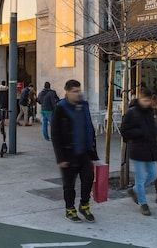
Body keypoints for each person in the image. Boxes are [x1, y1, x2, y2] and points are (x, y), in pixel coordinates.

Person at [51, 79, 97, 223]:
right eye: (75, 91)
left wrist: (93, 151)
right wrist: (60, 157)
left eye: (79, 91)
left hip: (84, 152)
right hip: (68, 153)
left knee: (88, 180)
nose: (78, 94)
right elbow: (55, 134)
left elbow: (89, 126)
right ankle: (69, 209)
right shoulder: (61, 108)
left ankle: (84, 206)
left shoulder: (84, 105)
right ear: (67, 92)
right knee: (69, 184)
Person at [120, 87, 157, 216]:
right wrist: (140, 133)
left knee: (154, 175)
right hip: (137, 149)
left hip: (151, 149)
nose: (146, 102)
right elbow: (124, 131)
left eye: (148, 100)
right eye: (144, 100)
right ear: (139, 98)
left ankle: (135, 190)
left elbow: (153, 129)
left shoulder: (150, 111)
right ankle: (143, 204)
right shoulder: (132, 112)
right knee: (140, 178)